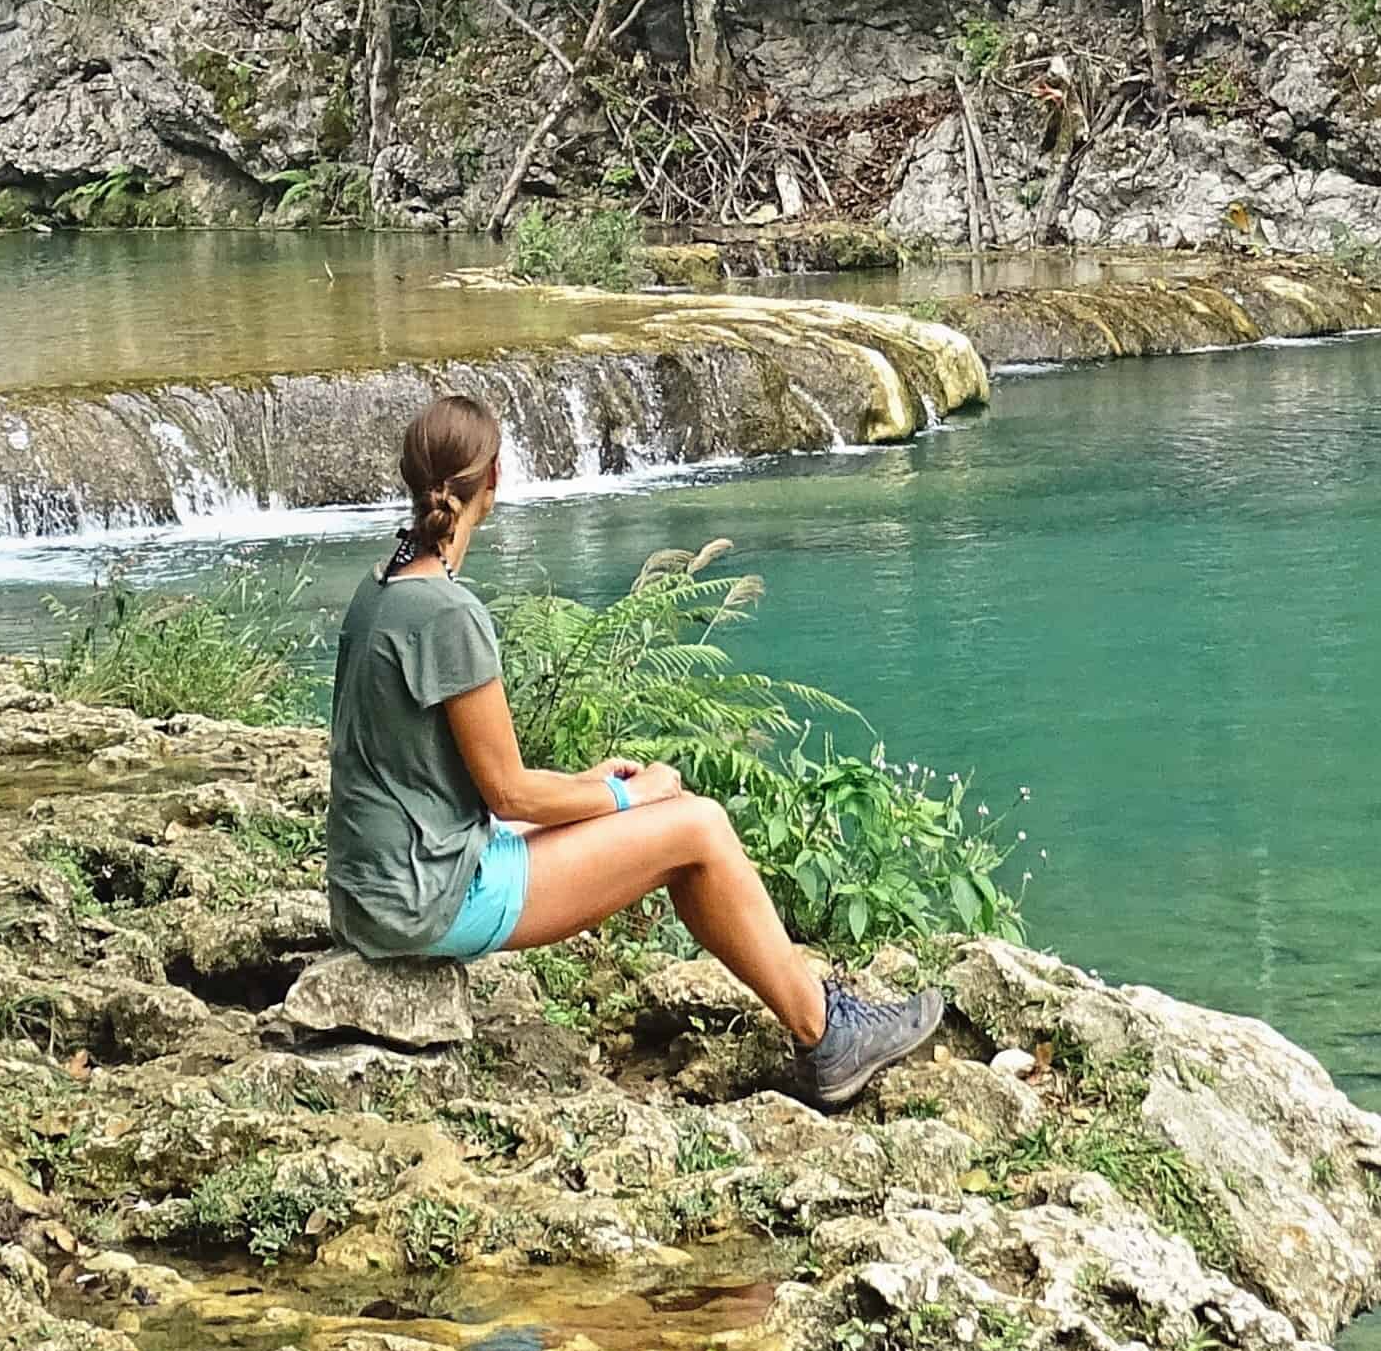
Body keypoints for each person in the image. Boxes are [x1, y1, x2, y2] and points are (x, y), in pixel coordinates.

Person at [323, 392, 943, 1107]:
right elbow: (510, 794)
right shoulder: (448, 614)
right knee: (697, 825)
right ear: (494, 481)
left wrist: (588, 789)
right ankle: (827, 1033)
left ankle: (820, 1017)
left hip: (375, 888)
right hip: (429, 898)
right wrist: (626, 796)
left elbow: (442, 774)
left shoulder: (381, 589)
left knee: (665, 821)